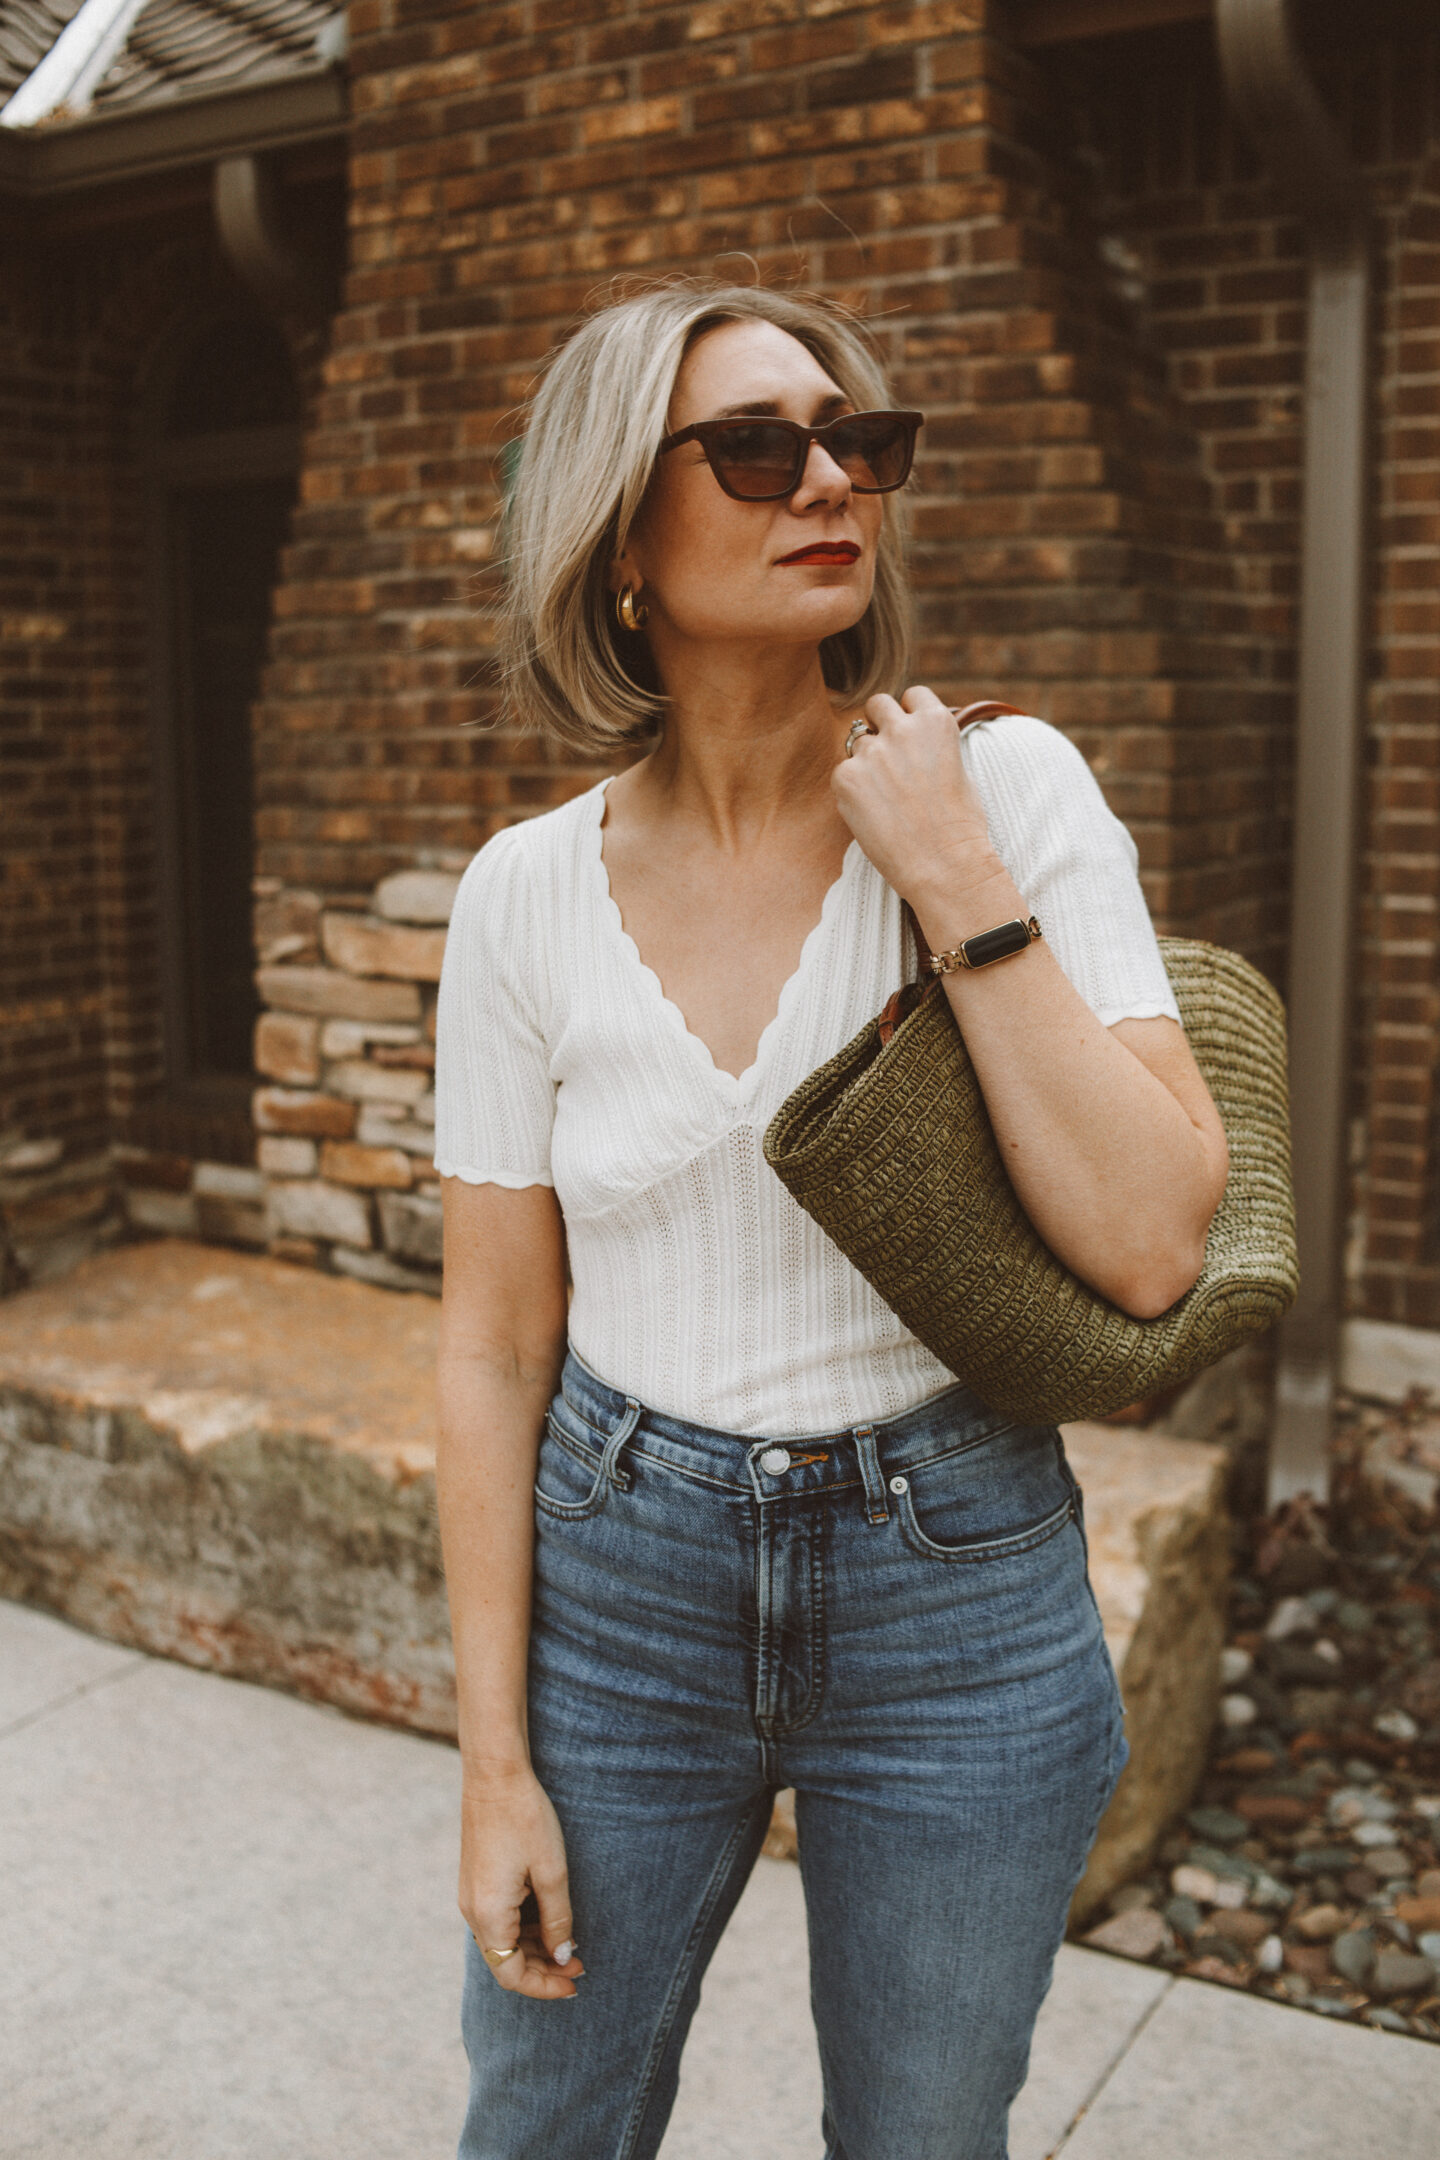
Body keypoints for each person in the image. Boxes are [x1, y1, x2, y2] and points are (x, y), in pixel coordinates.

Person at [432, 281, 1228, 2160]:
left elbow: (1150, 1243)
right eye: (758, 447)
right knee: (542, 2128)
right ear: (624, 535)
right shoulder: (521, 898)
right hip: (619, 1593)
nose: (831, 483)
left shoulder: (1002, 788)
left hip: (951, 1588)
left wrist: (950, 870)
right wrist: (489, 1764)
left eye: (859, 442)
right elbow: (490, 1341)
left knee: (923, 2139)